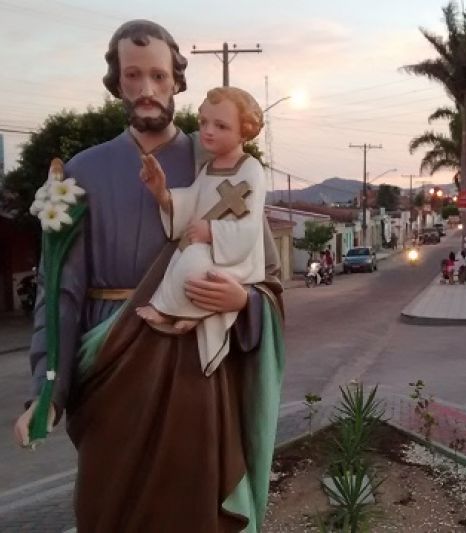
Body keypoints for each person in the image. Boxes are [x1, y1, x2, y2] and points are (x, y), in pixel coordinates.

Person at [13, 20, 284, 533]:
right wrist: (47, 393)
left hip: (197, 369)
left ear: (177, 81)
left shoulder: (221, 164)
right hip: (111, 363)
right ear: (116, 81)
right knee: (107, 506)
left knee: (194, 504)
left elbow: (265, 278)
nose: (147, 89)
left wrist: (240, 300)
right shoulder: (84, 172)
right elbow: (60, 294)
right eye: (133, 75)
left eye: (158, 75)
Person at [136, 86, 267, 376]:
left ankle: (175, 311)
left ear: (243, 131)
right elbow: (191, 202)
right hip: (206, 246)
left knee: (196, 267)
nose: (208, 131)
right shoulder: (209, 169)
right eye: (204, 122)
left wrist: (212, 231)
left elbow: (249, 225)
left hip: (234, 255)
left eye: (221, 126)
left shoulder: (251, 169)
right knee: (187, 261)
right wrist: (162, 193)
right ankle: (189, 313)